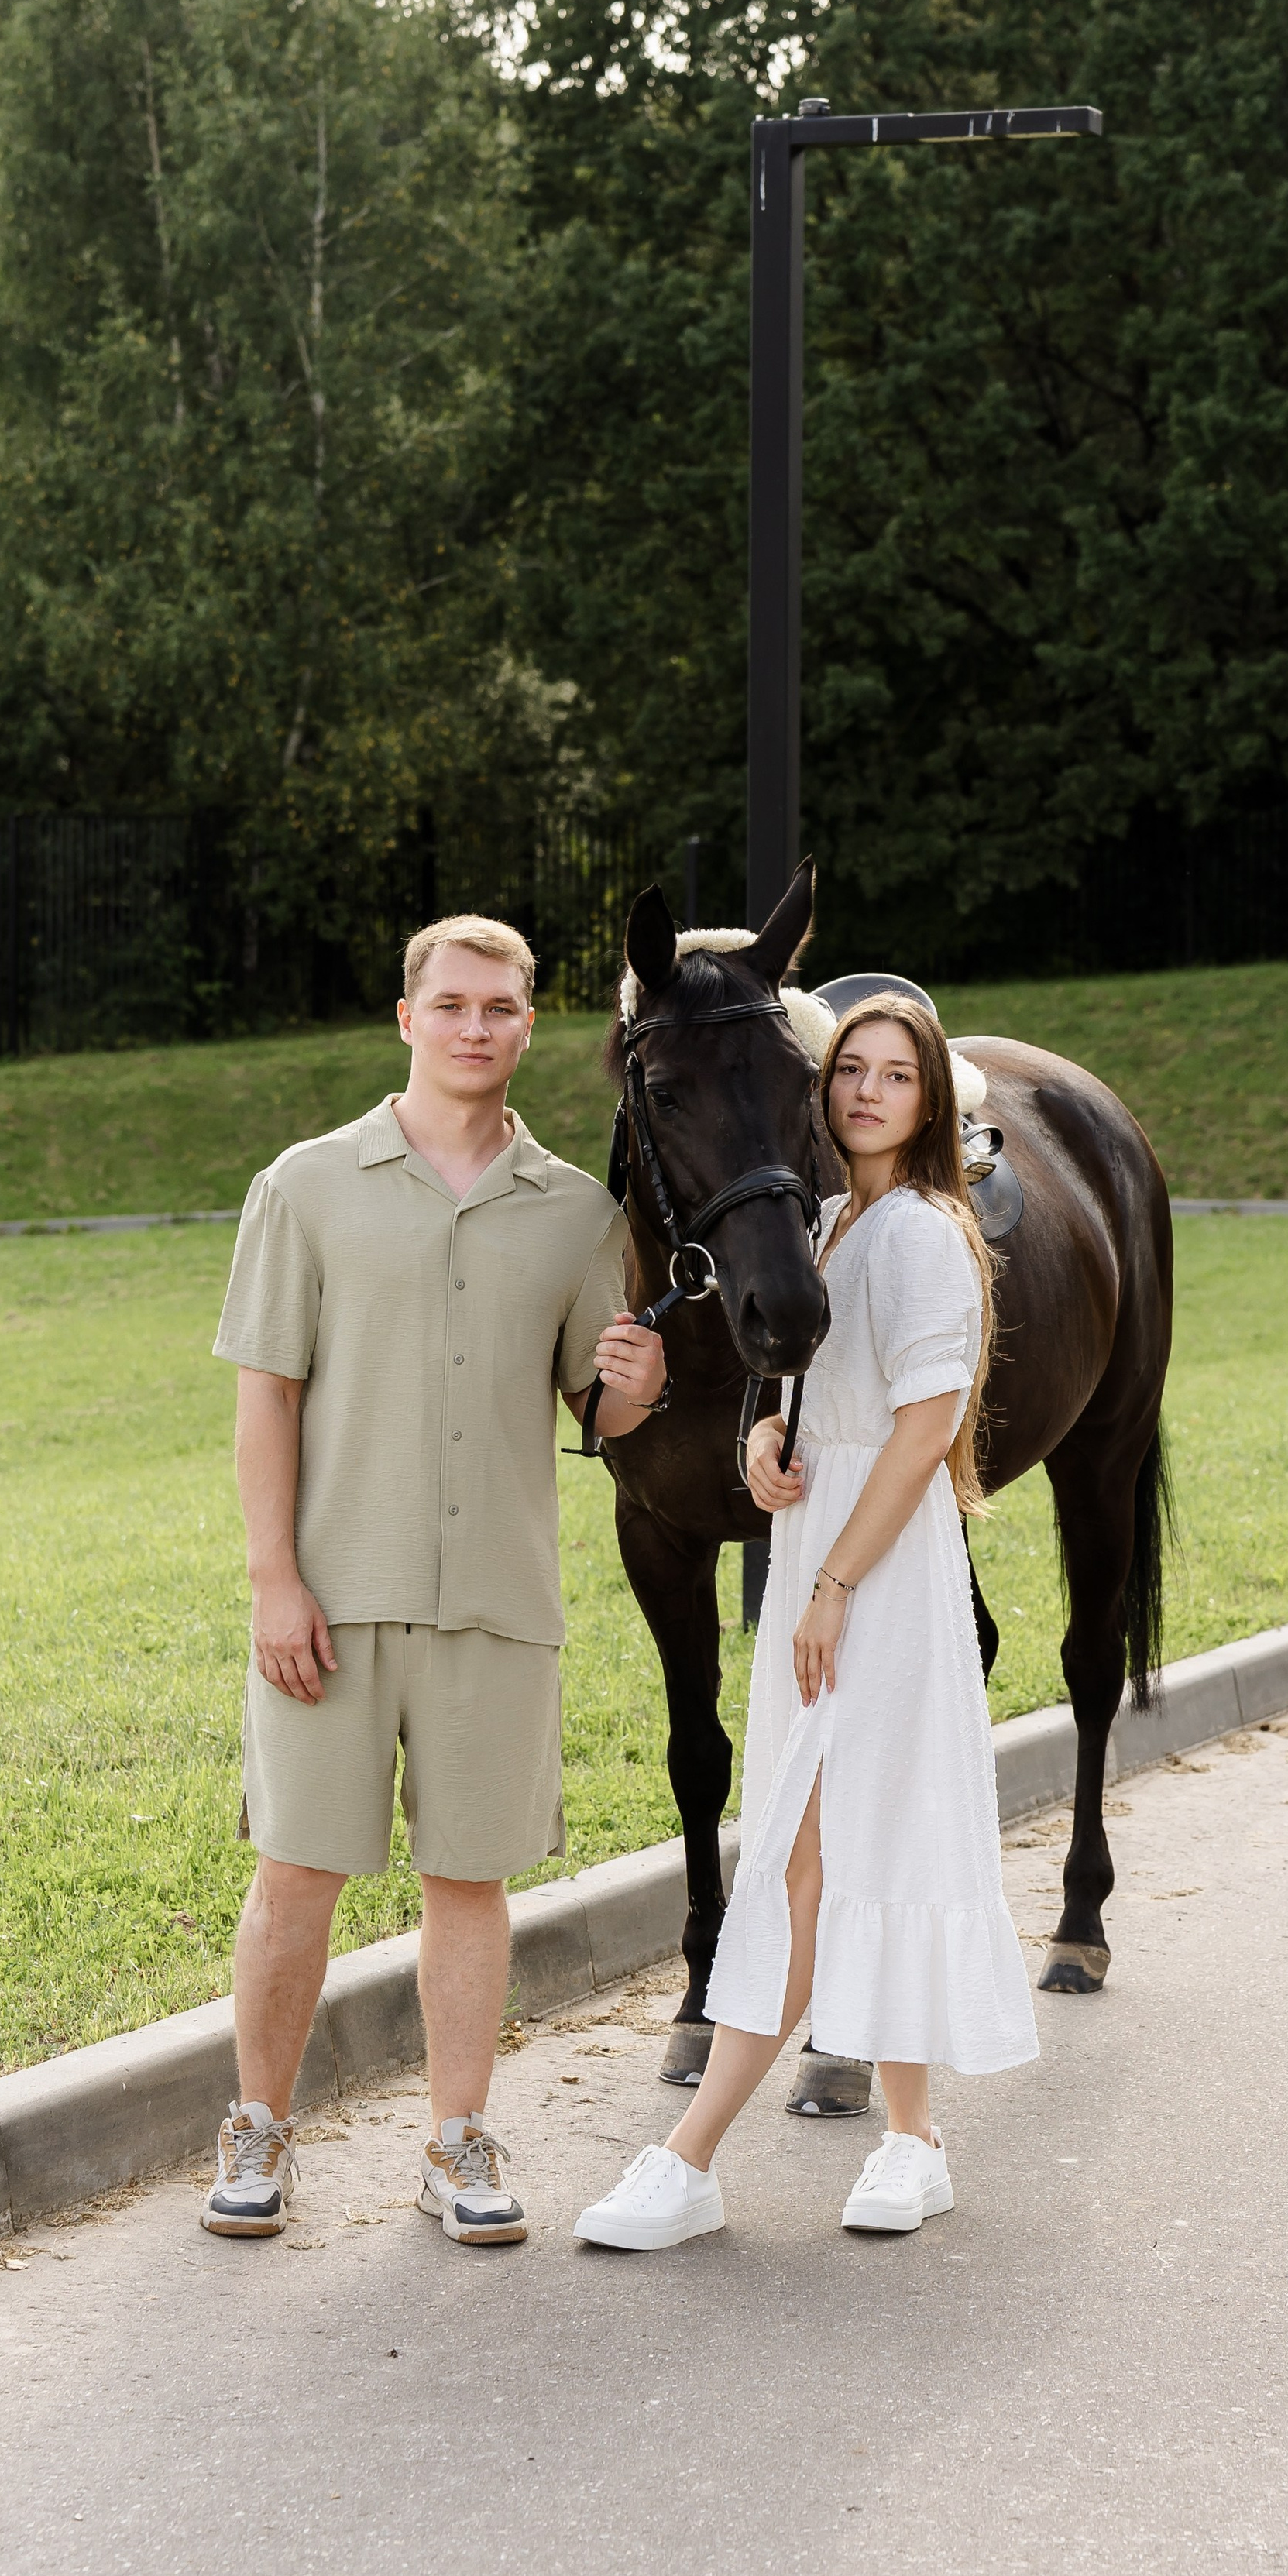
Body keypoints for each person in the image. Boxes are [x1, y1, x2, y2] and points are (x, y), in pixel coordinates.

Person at [202, 914, 666, 2244]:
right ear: (406, 1017)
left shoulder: (581, 1210)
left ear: (530, 1026)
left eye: (503, 1008)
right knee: (298, 1872)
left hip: (498, 1606)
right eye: (453, 1004)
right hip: (331, 1603)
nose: (477, 1027)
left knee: (472, 1880)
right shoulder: (304, 1185)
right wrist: (272, 1579)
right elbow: (265, 1399)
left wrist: (638, 1389)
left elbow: (603, 1408)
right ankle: (258, 2131)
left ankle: (457, 2141)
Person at [574, 993, 1039, 2250]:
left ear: (933, 1101)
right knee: (847, 1839)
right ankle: (912, 2139)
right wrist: (774, 1442)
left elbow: (929, 1429)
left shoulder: (930, 1234)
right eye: (852, 1071)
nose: (870, 1092)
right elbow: (821, 1394)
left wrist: (835, 1578)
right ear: (821, 1093)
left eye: (898, 1075)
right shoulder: (826, 1223)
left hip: (875, 1565)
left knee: (804, 1853)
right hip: (817, 1545)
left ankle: (691, 2154)